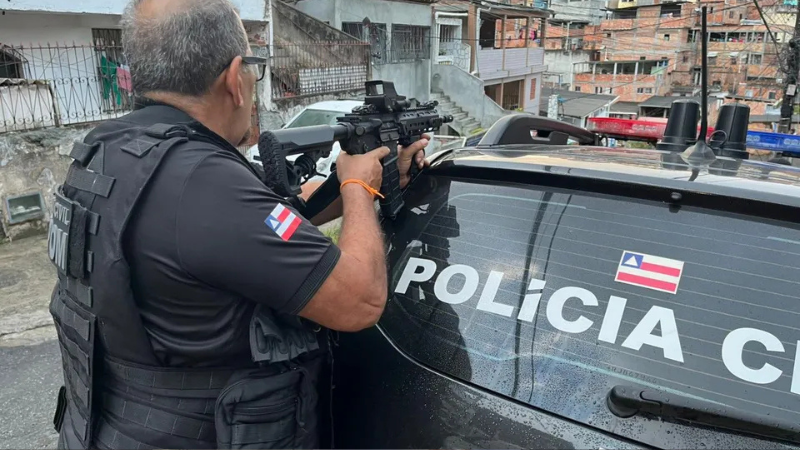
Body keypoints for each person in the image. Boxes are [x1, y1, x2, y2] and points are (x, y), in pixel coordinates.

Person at [46, 0, 430, 449]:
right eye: (254, 68)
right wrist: (360, 190)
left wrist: (357, 183)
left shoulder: (110, 154)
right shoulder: (201, 183)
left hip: (106, 428)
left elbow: (264, 223)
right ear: (234, 79)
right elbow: (360, 301)